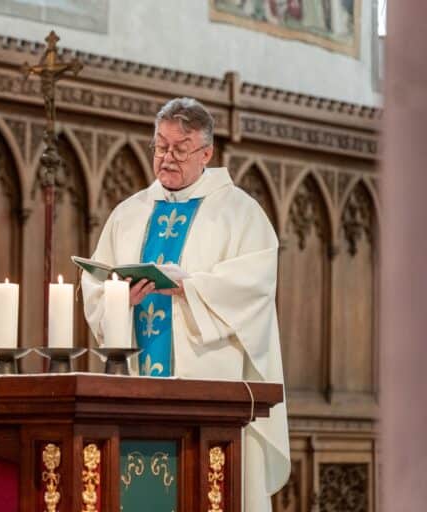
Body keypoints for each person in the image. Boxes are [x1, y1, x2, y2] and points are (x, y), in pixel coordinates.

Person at [82, 97, 290, 510]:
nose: (167, 157)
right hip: (134, 395)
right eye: (161, 146)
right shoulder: (129, 213)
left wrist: (189, 287)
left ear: (206, 154)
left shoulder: (241, 213)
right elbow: (95, 285)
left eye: (181, 148)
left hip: (209, 399)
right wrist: (121, 299)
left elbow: (254, 286)